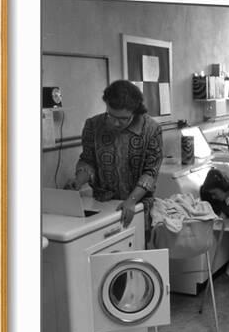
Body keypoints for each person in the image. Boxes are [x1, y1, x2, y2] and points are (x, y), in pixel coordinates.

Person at [68, 79, 163, 229]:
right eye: (111, 116)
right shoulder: (93, 125)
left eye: (123, 118)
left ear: (135, 111)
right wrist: (79, 180)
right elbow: (88, 160)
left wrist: (132, 199)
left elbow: (151, 172)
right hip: (102, 204)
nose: (116, 123)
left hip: (137, 205)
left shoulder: (151, 129)